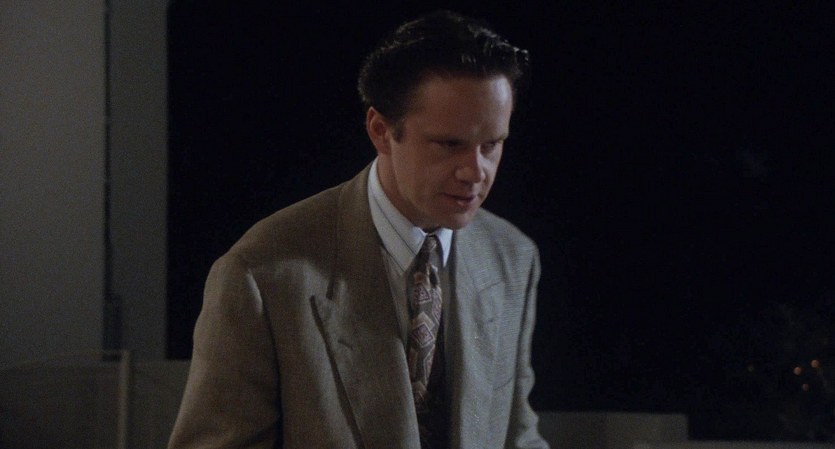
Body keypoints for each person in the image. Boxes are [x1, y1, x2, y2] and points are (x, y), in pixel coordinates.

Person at [169, 10, 549, 449]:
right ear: (381, 131)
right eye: (449, 144)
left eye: (492, 145)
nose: (475, 171)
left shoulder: (513, 258)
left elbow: (518, 435)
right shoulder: (262, 273)